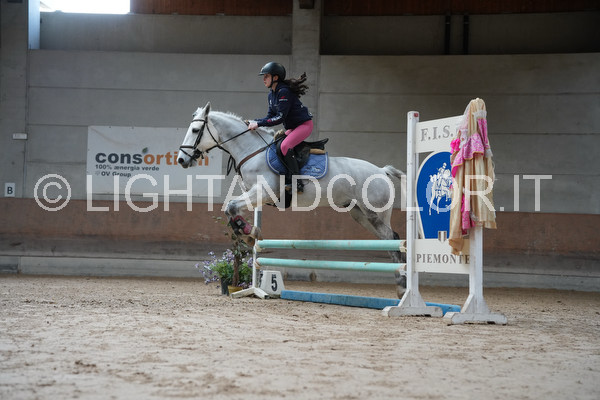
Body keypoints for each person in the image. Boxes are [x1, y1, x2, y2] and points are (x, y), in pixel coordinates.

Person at [247, 62, 313, 193]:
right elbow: (270, 116)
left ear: (275, 77)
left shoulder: (284, 92)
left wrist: (258, 124)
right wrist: (254, 121)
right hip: (294, 128)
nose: (263, 79)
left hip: (304, 125)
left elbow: (280, 118)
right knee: (275, 145)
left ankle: (297, 183)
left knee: (285, 146)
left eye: (266, 76)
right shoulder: (271, 94)